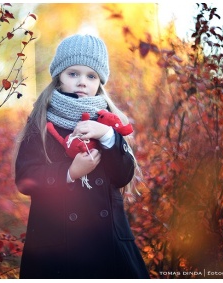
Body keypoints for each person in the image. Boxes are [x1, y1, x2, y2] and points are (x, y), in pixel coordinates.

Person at [14, 34, 149, 279]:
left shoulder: (109, 121)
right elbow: (25, 177)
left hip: (107, 244)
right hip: (57, 246)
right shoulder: (41, 120)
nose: (82, 82)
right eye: (73, 73)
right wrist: (69, 173)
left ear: (100, 81)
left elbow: (123, 175)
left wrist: (108, 136)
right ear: (59, 77)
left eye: (91, 76)